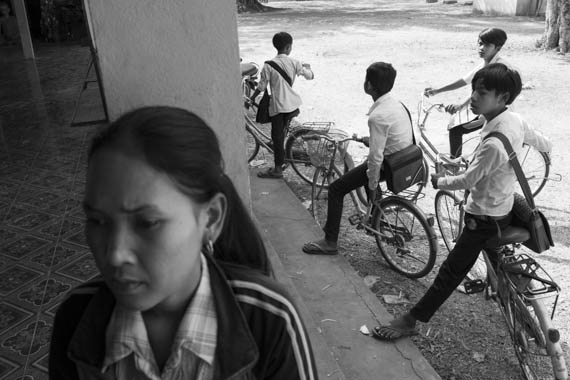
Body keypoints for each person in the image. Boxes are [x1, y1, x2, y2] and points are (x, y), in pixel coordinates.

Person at [49, 106, 318, 380]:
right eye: (97, 221)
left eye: (147, 223)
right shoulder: (76, 318)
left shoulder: (268, 320)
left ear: (210, 219)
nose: (115, 254)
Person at [372, 63, 552, 341]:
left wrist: (440, 182)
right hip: (502, 212)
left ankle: (410, 320)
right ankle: (515, 305)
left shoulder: (493, 142)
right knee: (494, 257)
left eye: (482, 93)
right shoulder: (513, 120)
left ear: (503, 97)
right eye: (474, 91)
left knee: (450, 272)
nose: (474, 98)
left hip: (482, 218)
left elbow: (468, 181)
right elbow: (542, 143)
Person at [302, 62, 414, 255]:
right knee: (367, 172)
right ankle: (375, 213)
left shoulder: (377, 116)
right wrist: (369, 141)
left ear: (369, 85)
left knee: (337, 189)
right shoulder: (397, 104)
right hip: (405, 158)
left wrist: (372, 182)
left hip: (388, 163)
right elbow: (394, 136)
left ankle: (330, 241)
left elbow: (376, 157)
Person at [424, 28, 512, 158]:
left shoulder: (499, 68)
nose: (481, 48)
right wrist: (437, 91)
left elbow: (493, 97)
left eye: (487, 45)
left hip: (496, 113)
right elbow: (465, 81)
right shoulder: (486, 63)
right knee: (455, 127)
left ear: (498, 48)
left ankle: (456, 166)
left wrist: (481, 118)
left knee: (478, 147)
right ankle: (455, 163)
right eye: (480, 43)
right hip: (485, 108)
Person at [248, 31, 314, 179]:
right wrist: (308, 68)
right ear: (289, 47)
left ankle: (278, 169)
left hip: (278, 107)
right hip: (291, 104)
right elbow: (310, 76)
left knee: (277, 138)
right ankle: (283, 158)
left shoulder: (268, 65)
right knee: (280, 136)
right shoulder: (295, 62)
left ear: (276, 46)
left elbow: (261, 87)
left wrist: (250, 99)